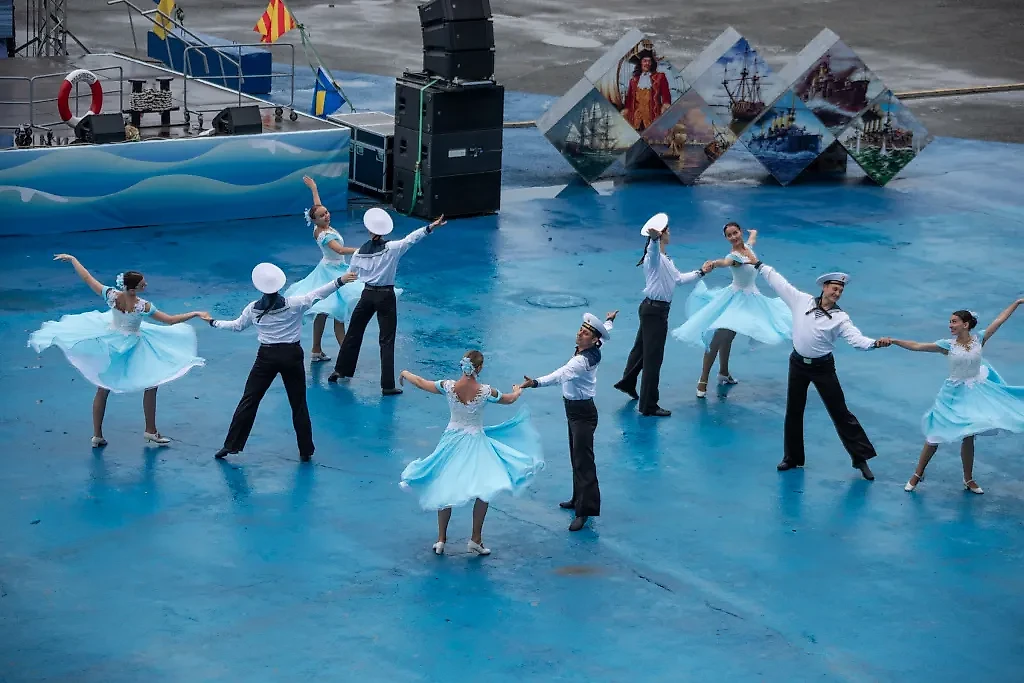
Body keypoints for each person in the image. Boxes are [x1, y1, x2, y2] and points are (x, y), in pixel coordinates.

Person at [28, 255, 207, 447]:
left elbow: (87, 278)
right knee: (152, 383)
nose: (145, 284)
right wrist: (195, 313)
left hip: (111, 340)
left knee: (103, 386)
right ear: (132, 289)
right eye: (142, 284)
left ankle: (97, 435)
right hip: (133, 344)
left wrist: (73, 260)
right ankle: (150, 430)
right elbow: (170, 320)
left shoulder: (112, 295)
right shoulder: (143, 306)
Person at [751, 262, 890, 479]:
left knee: (840, 412)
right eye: (834, 288)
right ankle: (792, 457)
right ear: (824, 287)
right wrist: (759, 265)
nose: (837, 293)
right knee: (794, 411)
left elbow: (857, 340)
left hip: (822, 368)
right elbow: (779, 283)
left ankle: (860, 459)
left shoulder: (841, 318)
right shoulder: (802, 300)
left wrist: (874, 343)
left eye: (841, 290)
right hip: (797, 364)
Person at [206, 262, 357, 461]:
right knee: (298, 404)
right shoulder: (295, 304)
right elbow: (320, 293)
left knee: (249, 400)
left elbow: (236, 326)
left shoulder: (253, 309)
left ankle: (230, 445)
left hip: (265, 358)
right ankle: (306, 450)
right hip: (292, 356)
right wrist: (340, 281)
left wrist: (212, 321)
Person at [398, 351, 544, 556]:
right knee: (483, 490)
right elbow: (510, 400)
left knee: (445, 487)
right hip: (476, 444)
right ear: (480, 368)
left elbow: (422, 383)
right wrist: (518, 390)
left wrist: (405, 372)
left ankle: (441, 540)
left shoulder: (448, 386)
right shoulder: (485, 391)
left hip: (451, 441)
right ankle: (476, 539)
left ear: (462, 366)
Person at [886, 300, 1024, 494]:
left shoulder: (980, 339)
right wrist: (894, 341)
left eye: (954, 321)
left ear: (965, 325)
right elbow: (917, 346)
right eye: (950, 322)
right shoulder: (947, 345)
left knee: (969, 435)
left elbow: (1000, 320)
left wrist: (1017, 302)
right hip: (952, 394)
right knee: (934, 436)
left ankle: (968, 479)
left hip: (975, 392)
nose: (950, 325)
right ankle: (917, 475)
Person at [328, 209, 446, 394]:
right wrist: (430, 227)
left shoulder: (359, 253)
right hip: (385, 296)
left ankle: (340, 370)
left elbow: (352, 274)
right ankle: (387, 385)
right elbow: (411, 238)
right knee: (386, 340)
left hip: (366, 295)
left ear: (369, 230)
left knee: (353, 333)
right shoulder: (393, 248)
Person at [521, 311, 617, 531]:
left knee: (584, 461)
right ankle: (577, 498)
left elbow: (558, 376)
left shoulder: (581, 361)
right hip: (573, 410)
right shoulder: (594, 345)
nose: (579, 334)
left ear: (592, 341)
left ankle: (585, 511)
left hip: (582, 412)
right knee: (576, 456)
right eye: (580, 330)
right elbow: (604, 334)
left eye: (584, 333)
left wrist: (534, 383)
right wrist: (609, 320)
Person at [672, 222, 792, 398]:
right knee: (719, 337)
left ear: (740, 232)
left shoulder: (748, 248)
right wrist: (714, 263)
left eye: (735, 233)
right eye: (729, 235)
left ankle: (723, 372)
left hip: (751, 298)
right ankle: (703, 379)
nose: (734, 237)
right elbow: (725, 262)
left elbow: (751, 240)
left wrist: (754, 233)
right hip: (735, 300)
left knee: (730, 335)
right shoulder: (734, 256)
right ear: (726, 238)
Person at [614, 213, 709, 416]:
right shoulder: (653, 257)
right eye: (668, 230)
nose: (670, 233)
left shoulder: (666, 260)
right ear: (663, 234)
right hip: (656, 312)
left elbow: (679, 279)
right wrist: (655, 239)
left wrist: (701, 271)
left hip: (651, 310)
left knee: (640, 350)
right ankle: (648, 405)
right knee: (653, 359)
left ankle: (627, 382)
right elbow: (653, 251)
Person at [284, 176, 364, 362]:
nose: (326, 215)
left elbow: (317, 206)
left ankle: (316, 350)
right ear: (315, 221)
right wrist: (361, 250)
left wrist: (313, 188)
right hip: (332, 272)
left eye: (327, 212)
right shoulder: (323, 234)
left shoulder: (321, 224)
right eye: (322, 215)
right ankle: (346, 357)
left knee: (323, 310)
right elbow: (340, 250)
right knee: (338, 312)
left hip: (330, 268)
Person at [621, 45, 672, 131]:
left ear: (652, 63)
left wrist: (665, 105)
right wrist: (626, 111)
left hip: (653, 117)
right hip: (636, 119)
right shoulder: (633, 81)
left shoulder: (660, 77)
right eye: (645, 61)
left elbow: (666, 95)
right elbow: (629, 100)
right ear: (640, 62)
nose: (647, 64)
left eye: (649, 61)